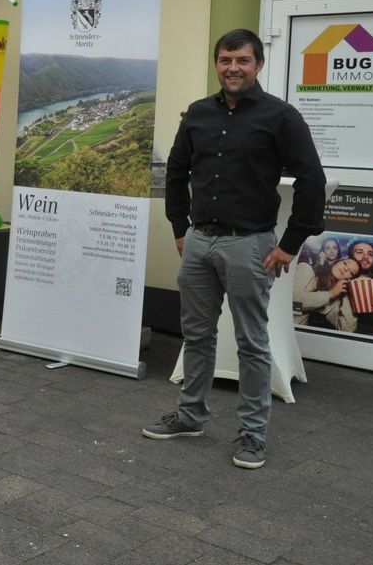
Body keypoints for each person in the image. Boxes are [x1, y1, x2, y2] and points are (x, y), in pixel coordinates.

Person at [143, 28, 326, 469]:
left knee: (251, 343)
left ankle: (252, 434)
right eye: (225, 60)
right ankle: (190, 415)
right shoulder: (198, 115)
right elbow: (176, 170)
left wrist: (289, 245)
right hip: (199, 240)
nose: (233, 68)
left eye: (242, 60)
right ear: (216, 63)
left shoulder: (281, 117)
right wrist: (178, 226)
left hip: (251, 245)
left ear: (258, 64)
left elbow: (311, 180)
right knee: (198, 335)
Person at [293, 257, 359, 332]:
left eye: (351, 272)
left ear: (349, 279)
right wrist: (330, 294)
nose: (346, 269)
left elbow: (347, 329)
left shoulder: (334, 301)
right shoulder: (305, 268)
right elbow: (293, 303)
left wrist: (349, 295)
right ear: (336, 263)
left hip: (298, 333)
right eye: (345, 263)